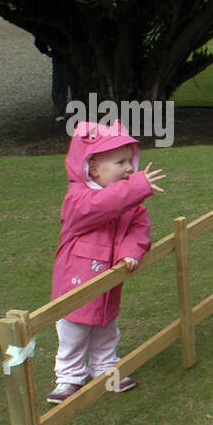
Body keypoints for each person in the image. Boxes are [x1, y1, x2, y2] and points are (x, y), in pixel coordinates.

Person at [46, 120, 166, 404]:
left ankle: (105, 367)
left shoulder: (129, 203)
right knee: (74, 330)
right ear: (94, 167)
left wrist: (130, 252)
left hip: (108, 281)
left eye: (129, 161)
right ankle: (69, 377)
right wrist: (136, 187)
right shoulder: (78, 198)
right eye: (119, 162)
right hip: (75, 281)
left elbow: (138, 228)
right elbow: (102, 206)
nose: (128, 168)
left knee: (106, 327)